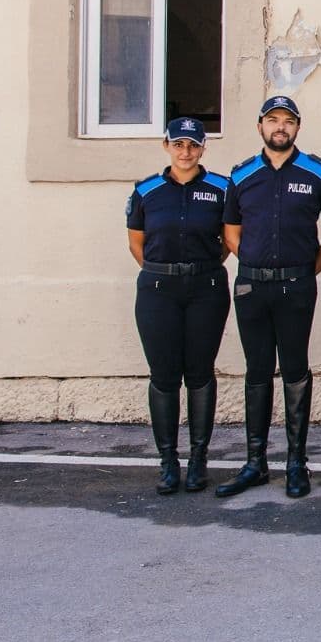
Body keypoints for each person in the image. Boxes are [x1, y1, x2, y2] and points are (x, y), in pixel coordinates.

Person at [216, 96, 321, 499]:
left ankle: (295, 463)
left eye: (288, 121)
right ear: (260, 127)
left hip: (296, 286)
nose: (280, 127)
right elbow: (231, 233)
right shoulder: (241, 175)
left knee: (294, 370)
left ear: (297, 128)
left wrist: (310, 268)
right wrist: (254, 262)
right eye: (273, 120)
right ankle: (255, 462)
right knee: (256, 371)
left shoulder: (318, 173)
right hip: (252, 286)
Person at [125, 117, 231, 495]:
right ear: (166, 146)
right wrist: (167, 272)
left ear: (203, 148)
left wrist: (196, 269)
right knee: (164, 375)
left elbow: (228, 240)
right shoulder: (146, 191)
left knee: (200, 372)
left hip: (207, 286)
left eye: (193, 145)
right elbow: (137, 243)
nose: (186, 152)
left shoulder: (222, 188)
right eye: (179, 144)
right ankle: (168, 460)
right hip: (158, 288)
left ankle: (199, 458)